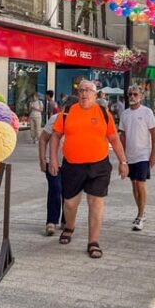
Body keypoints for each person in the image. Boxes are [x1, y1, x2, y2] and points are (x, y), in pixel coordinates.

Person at [49, 80, 128, 259]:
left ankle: (93, 242)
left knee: (96, 203)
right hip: (72, 166)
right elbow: (55, 136)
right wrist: (53, 159)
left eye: (88, 90)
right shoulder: (67, 112)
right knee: (70, 204)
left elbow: (114, 139)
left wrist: (123, 161)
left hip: (99, 166)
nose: (84, 93)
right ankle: (69, 226)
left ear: (95, 94)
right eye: (81, 90)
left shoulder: (103, 113)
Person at [118, 85, 155, 231]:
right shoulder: (125, 114)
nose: (132, 97)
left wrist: (152, 154)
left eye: (135, 94)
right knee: (134, 185)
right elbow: (122, 136)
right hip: (130, 155)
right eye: (130, 94)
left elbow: (153, 135)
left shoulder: (147, 112)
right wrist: (122, 158)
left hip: (143, 154)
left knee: (140, 184)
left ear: (141, 96)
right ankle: (141, 211)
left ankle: (140, 216)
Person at [38, 98, 76, 236]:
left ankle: (66, 220)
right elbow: (43, 139)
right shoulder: (55, 118)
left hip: (72, 164)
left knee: (69, 192)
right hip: (53, 162)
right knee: (55, 189)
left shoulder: (80, 120)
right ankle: (51, 221)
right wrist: (42, 160)